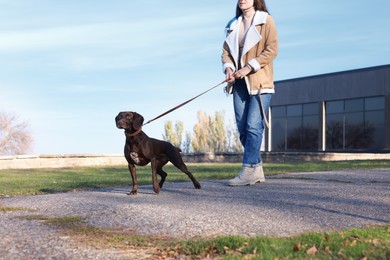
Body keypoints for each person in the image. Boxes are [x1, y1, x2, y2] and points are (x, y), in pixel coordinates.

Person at [222, 0, 278, 186]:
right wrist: (229, 69)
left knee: (254, 126)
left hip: (259, 81)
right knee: (243, 129)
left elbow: (272, 50)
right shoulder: (233, 24)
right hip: (238, 83)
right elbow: (226, 53)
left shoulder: (266, 20)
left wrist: (248, 67)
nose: (242, 0)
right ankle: (257, 168)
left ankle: (248, 169)